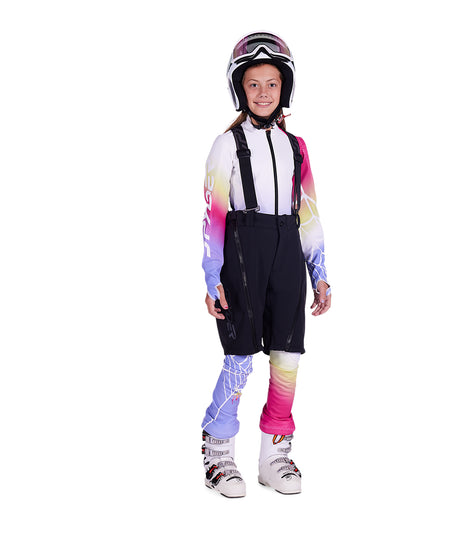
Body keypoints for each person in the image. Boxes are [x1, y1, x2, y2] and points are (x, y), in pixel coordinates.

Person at [200, 31, 331, 498]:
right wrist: (212, 276)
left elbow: (308, 213)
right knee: (239, 358)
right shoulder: (226, 144)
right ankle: (218, 452)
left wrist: (319, 272)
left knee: (287, 356)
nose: (263, 93)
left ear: (284, 88)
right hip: (242, 253)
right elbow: (213, 215)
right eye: (253, 84)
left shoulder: (297, 147)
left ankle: (274, 454)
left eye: (271, 84)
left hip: (287, 252)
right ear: (240, 89)